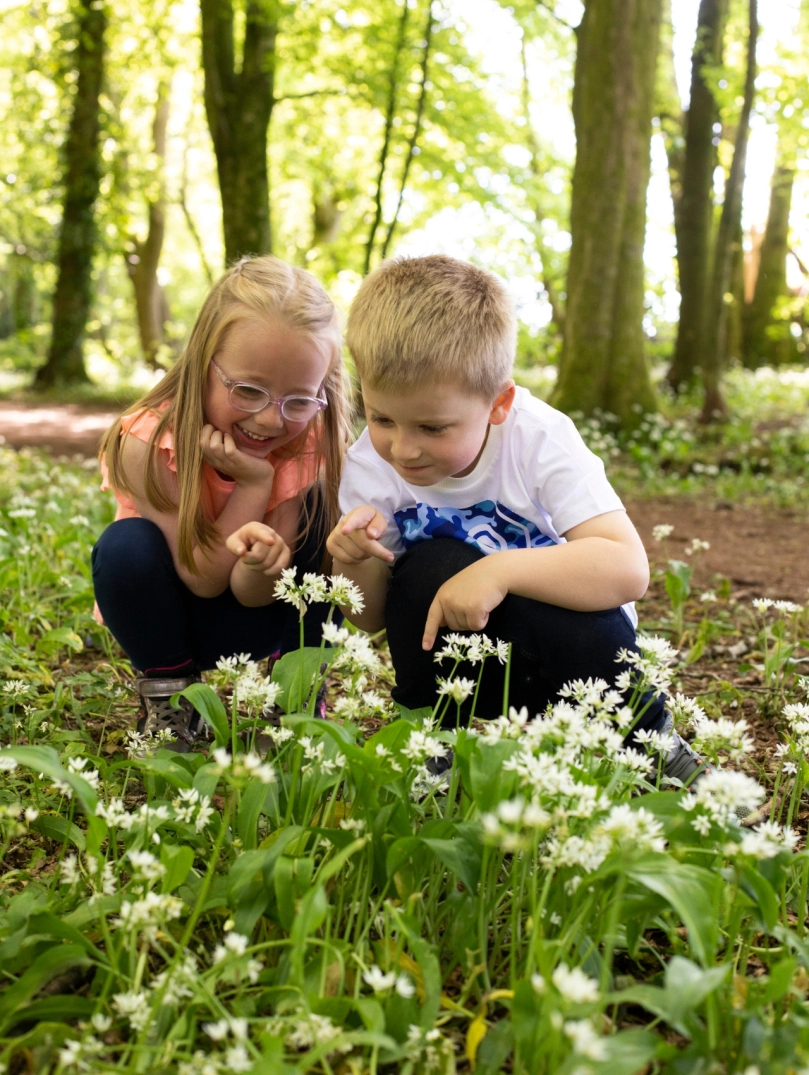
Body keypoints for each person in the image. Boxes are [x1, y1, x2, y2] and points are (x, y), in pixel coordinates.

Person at [326, 254, 705, 785]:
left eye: (433, 428)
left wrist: (499, 571)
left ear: (498, 403)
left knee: (562, 592)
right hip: (462, 665)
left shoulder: (538, 437)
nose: (403, 449)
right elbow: (371, 619)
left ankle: (653, 743)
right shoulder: (371, 464)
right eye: (382, 417)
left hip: (574, 665)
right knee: (428, 564)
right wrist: (354, 561)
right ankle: (429, 742)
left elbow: (626, 569)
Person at [93, 255, 350, 747]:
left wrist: (263, 566)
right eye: (249, 390)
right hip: (169, 617)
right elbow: (202, 578)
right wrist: (253, 485)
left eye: (298, 400)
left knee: (329, 530)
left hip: (259, 612)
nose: (271, 421)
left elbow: (250, 594)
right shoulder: (148, 441)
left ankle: (296, 695)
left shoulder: (305, 442)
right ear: (203, 363)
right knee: (125, 545)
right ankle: (175, 700)